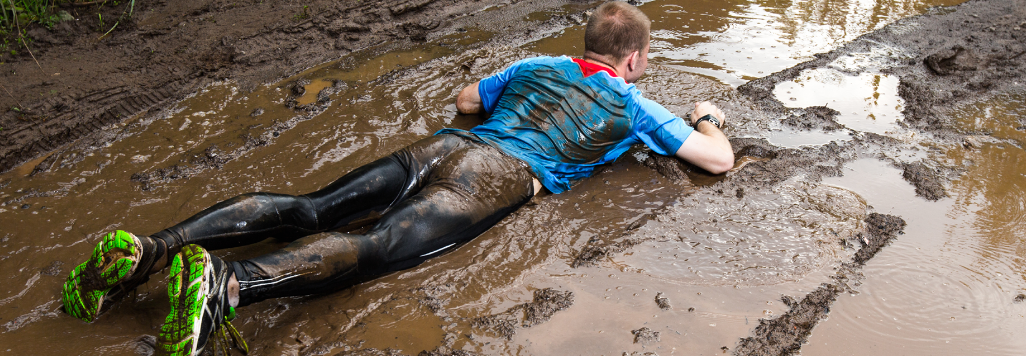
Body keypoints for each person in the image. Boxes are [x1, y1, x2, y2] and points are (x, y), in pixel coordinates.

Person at [60, 2, 733, 355]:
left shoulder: (537, 64)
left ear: (585, 41)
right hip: (500, 177)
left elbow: (469, 99)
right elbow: (717, 162)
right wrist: (705, 116)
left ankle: (152, 250)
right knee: (377, 249)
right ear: (635, 58)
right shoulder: (635, 104)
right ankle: (230, 284)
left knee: (312, 206)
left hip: (442, 148)